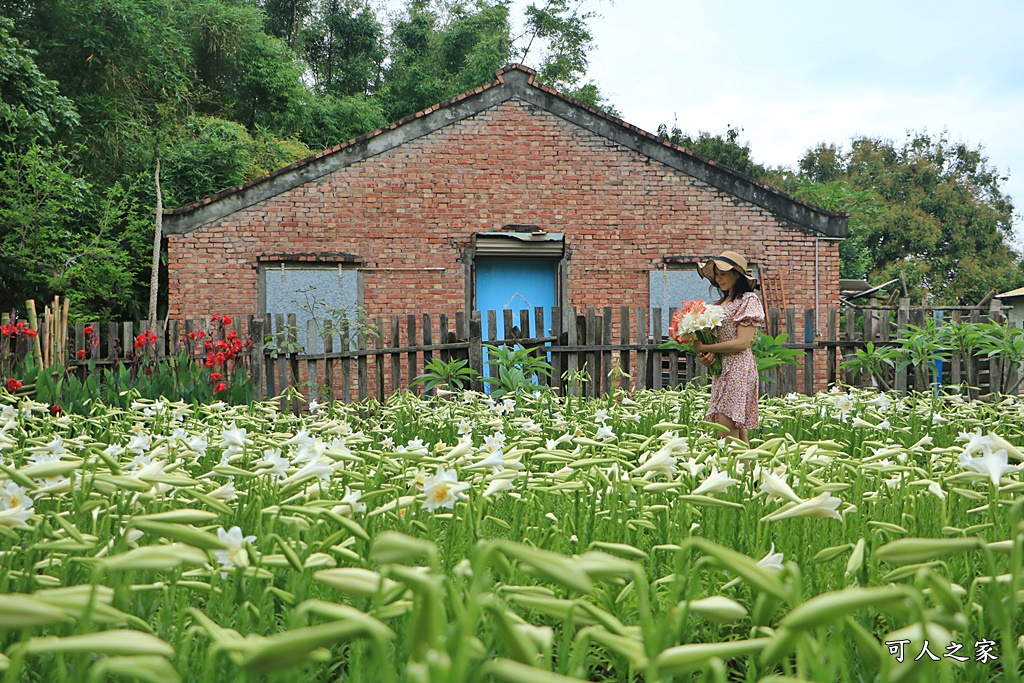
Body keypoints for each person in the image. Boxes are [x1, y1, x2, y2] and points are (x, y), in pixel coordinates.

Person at [691, 250, 765, 444]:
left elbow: (743, 342)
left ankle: (734, 473)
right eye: (716, 274)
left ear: (737, 275)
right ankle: (748, 474)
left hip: (738, 368)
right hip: (723, 369)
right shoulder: (720, 303)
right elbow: (714, 344)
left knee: (726, 435)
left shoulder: (748, 300)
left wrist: (705, 346)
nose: (718, 278)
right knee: (738, 437)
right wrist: (705, 356)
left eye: (723, 273)